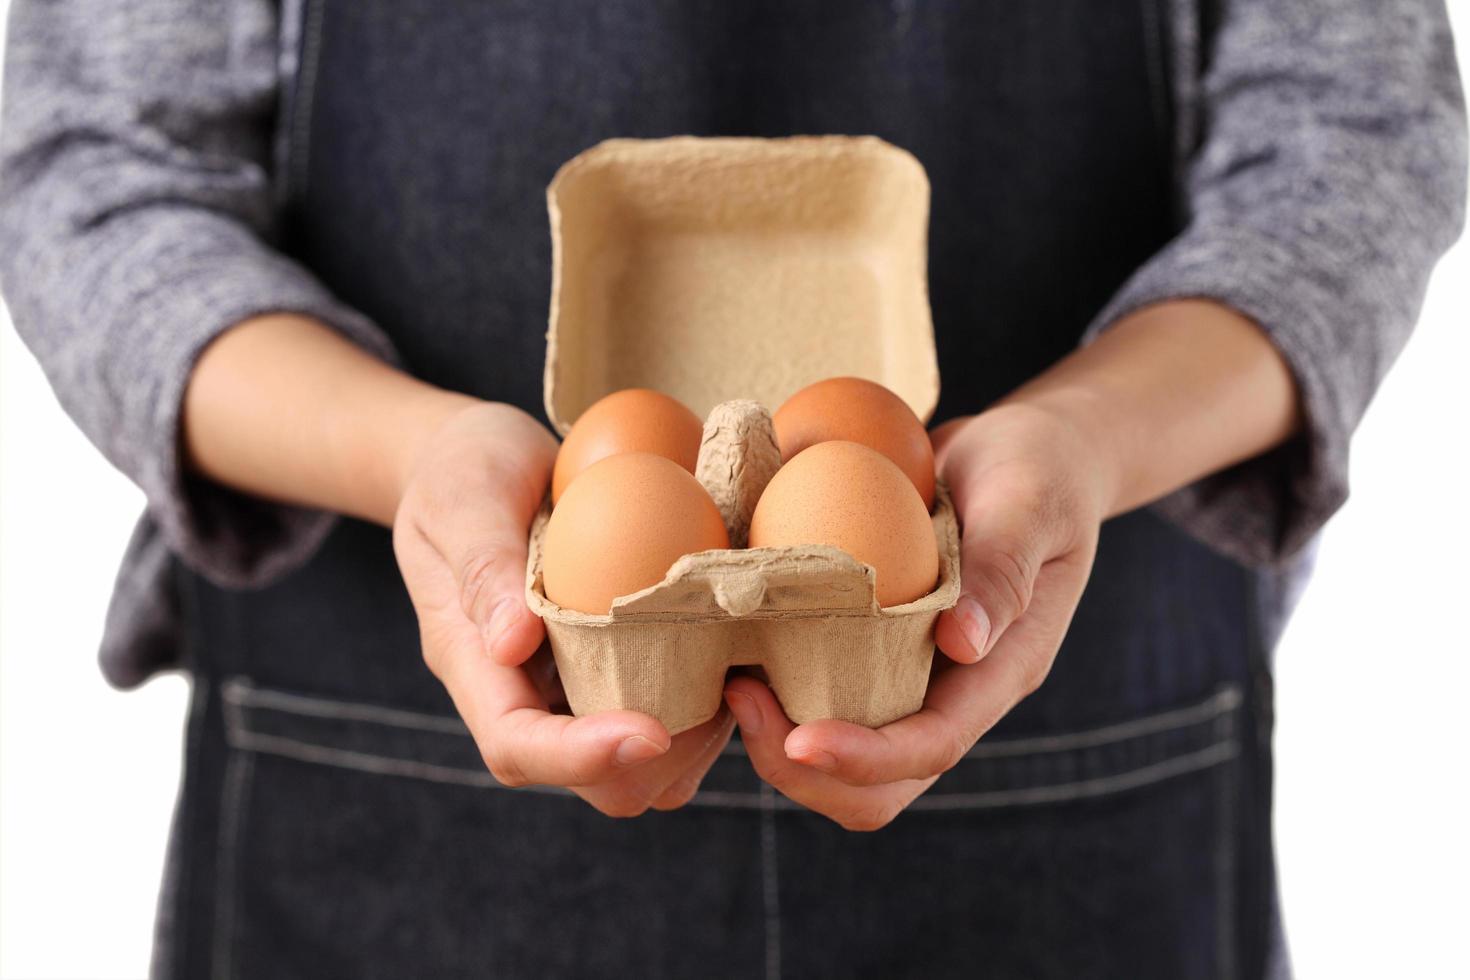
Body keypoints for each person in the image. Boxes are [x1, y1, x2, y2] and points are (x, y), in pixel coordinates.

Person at [1, 1, 1464, 977]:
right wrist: (414, 457)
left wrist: (1077, 442)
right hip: (384, 789)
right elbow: (89, 175)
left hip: (1075, 767)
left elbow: (1355, 142)